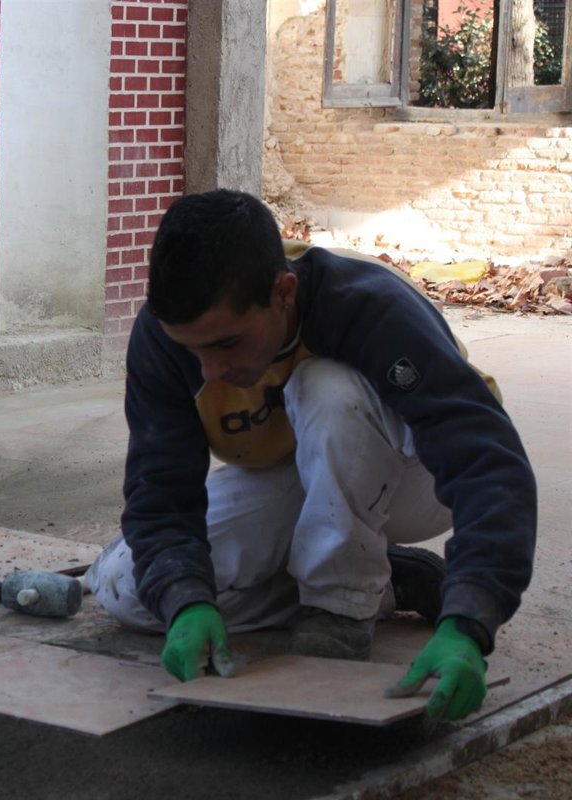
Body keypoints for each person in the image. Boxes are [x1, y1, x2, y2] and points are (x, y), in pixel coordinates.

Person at [84, 189, 536, 722]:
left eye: (227, 344)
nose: (210, 371)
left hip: (420, 477)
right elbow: (160, 488)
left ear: (283, 293)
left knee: (327, 389)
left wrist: (470, 619)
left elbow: (484, 460)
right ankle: (387, 581)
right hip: (303, 475)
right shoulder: (163, 338)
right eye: (192, 349)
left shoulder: (368, 304)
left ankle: (341, 604)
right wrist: (187, 600)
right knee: (131, 589)